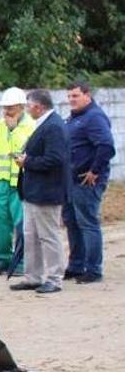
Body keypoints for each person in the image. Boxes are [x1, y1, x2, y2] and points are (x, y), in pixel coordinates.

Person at [10, 89, 70, 294]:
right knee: (31, 236)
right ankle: (33, 276)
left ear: (38, 106)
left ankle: (54, 278)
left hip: (47, 191)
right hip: (34, 191)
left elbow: (55, 159)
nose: (27, 110)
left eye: (29, 106)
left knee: (48, 236)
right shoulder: (45, 124)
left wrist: (28, 161)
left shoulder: (53, 126)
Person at [63, 81, 115, 284]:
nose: (71, 100)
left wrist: (94, 171)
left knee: (87, 223)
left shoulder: (94, 117)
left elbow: (106, 146)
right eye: (69, 96)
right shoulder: (75, 118)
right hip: (70, 180)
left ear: (88, 95)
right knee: (72, 223)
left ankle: (93, 269)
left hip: (86, 181)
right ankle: (76, 265)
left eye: (75, 96)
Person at [0, 87, 35, 276]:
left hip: (20, 184)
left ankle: (21, 262)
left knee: (22, 224)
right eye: (5, 108)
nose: (6, 111)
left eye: (11, 108)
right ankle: (2, 260)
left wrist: (13, 130)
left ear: (21, 107)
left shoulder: (31, 127)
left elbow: (24, 150)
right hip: (1, 183)